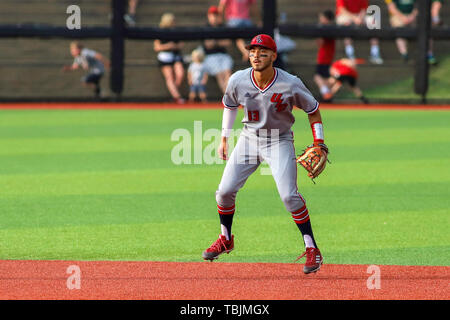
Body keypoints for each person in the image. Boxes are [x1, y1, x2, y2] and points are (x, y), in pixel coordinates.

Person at [202, 34, 326, 274]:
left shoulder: (290, 83)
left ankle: (312, 248)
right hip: (249, 139)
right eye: (252, 52)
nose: (256, 56)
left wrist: (319, 141)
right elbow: (229, 106)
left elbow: (313, 110)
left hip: (279, 141)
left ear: (274, 56)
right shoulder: (238, 79)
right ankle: (225, 238)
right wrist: (224, 139)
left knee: (289, 197)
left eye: (263, 52)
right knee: (224, 191)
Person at [336, 0, 383, 64]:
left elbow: (364, 9)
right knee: (346, 25)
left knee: (373, 22)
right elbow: (342, 10)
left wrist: (359, 18)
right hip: (345, 15)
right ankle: (350, 54)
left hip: (359, 15)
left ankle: (375, 53)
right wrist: (354, 18)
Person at [154, 13, 185, 104]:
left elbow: (181, 44)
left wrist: (175, 46)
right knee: (169, 76)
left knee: (180, 73)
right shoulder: (160, 31)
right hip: (165, 57)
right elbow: (157, 47)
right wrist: (168, 46)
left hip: (175, 56)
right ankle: (177, 97)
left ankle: (174, 92)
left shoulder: (176, 31)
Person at [202, 6, 234, 94]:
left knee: (227, 73)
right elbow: (208, 45)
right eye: (212, 15)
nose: (214, 17)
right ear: (209, 16)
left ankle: (229, 96)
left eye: (216, 15)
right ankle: (227, 96)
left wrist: (215, 42)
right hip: (210, 56)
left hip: (223, 55)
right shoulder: (206, 27)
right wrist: (219, 42)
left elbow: (228, 42)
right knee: (220, 74)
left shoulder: (223, 27)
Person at [314, 10, 336, 102]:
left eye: (322, 18)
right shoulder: (332, 28)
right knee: (325, 78)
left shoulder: (327, 29)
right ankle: (327, 94)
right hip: (326, 57)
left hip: (324, 58)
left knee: (317, 77)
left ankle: (326, 93)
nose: (320, 20)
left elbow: (320, 43)